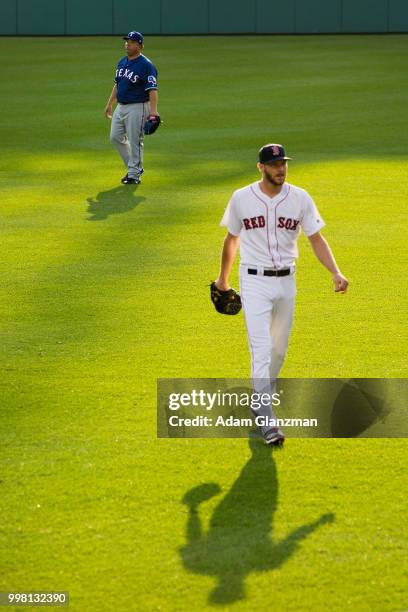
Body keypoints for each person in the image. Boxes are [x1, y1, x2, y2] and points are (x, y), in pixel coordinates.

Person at [215, 143, 349, 446]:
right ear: (260, 167)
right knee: (261, 348)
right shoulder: (241, 198)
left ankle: (260, 398)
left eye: (283, 163)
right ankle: (267, 416)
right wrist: (223, 280)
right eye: (274, 164)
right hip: (254, 282)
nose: (280, 169)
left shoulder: (300, 198)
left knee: (279, 350)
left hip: (287, 282)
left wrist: (335, 272)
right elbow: (231, 239)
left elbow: (316, 239)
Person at [104, 31, 159, 185]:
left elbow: (153, 90)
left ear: (140, 46)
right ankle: (134, 167)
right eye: (127, 41)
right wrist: (110, 103)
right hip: (121, 107)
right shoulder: (122, 62)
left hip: (138, 107)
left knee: (135, 140)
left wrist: (153, 113)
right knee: (115, 137)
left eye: (132, 42)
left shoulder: (147, 65)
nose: (128, 44)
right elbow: (118, 84)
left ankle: (134, 174)